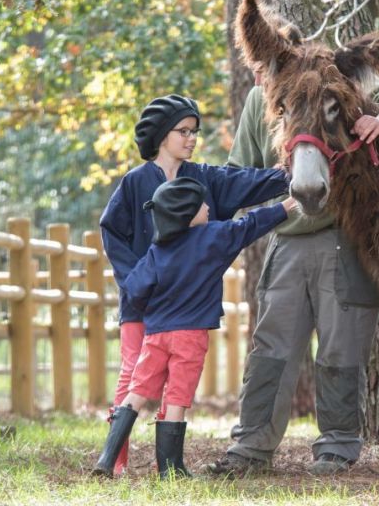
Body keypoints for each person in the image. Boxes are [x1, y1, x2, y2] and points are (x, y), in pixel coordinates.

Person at [204, 70, 379, 477]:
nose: (264, 73)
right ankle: (251, 446)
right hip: (284, 241)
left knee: (341, 348)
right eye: (259, 67)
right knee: (270, 349)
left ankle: (337, 448)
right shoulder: (256, 101)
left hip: (342, 239)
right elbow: (238, 172)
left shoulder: (336, 83)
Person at [100, 94, 289, 476]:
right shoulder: (134, 183)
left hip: (184, 309)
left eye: (194, 132)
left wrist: (295, 172)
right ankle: (114, 464)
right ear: (160, 136)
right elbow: (112, 232)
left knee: (177, 385)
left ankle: (166, 465)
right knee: (133, 373)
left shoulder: (205, 178)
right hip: (141, 303)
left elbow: (247, 182)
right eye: (182, 132)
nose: (191, 139)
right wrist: (137, 280)